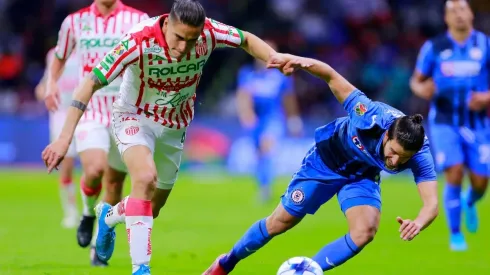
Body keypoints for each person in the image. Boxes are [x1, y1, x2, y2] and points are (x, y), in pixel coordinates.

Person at [42, 0, 288, 274]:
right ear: (167, 23)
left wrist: (272, 58)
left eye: (191, 40)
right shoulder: (138, 40)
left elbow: (246, 39)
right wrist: (65, 138)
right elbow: (89, 82)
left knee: (151, 208)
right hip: (133, 117)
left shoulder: (210, 31)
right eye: (179, 38)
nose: (184, 47)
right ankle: (141, 269)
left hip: (174, 127)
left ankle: (108, 216)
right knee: (145, 179)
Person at [204, 54, 439, 274]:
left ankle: (308, 270)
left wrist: (418, 223)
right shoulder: (369, 114)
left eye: (404, 158)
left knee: (364, 231)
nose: (396, 162)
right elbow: (330, 75)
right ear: (387, 135)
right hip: (325, 161)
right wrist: (297, 60)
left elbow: (431, 204)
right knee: (280, 222)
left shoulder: (420, 152)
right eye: (394, 152)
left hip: (362, 174)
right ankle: (226, 263)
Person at [43, 0, 148, 266]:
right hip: (90, 109)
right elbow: (60, 57)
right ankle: (88, 213)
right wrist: (51, 84)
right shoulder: (74, 22)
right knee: (95, 169)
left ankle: (97, 246)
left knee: (114, 184)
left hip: (125, 112)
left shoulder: (138, 19)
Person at [410, 0, 490, 251]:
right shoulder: (434, 47)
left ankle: (469, 200)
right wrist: (421, 88)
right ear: (446, 18)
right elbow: (416, 81)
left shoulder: (485, 44)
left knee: (480, 182)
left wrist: (487, 97)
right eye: (453, 11)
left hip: (477, 123)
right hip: (444, 122)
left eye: (463, 10)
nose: (458, 15)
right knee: (454, 172)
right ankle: (455, 234)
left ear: (471, 15)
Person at [236, 40, 303, 202]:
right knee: (259, 154)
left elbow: (288, 98)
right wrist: (246, 114)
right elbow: (243, 96)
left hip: (274, 119)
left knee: (267, 148)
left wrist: (294, 119)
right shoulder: (247, 74)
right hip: (256, 120)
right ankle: (263, 185)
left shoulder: (281, 76)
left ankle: (265, 189)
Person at [35, 48, 79, 229]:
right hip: (61, 115)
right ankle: (71, 212)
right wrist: (43, 91)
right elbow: (45, 84)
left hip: (87, 112)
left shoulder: (89, 50)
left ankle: (90, 211)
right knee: (66, 167)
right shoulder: (53, 55)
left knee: (94, 166)